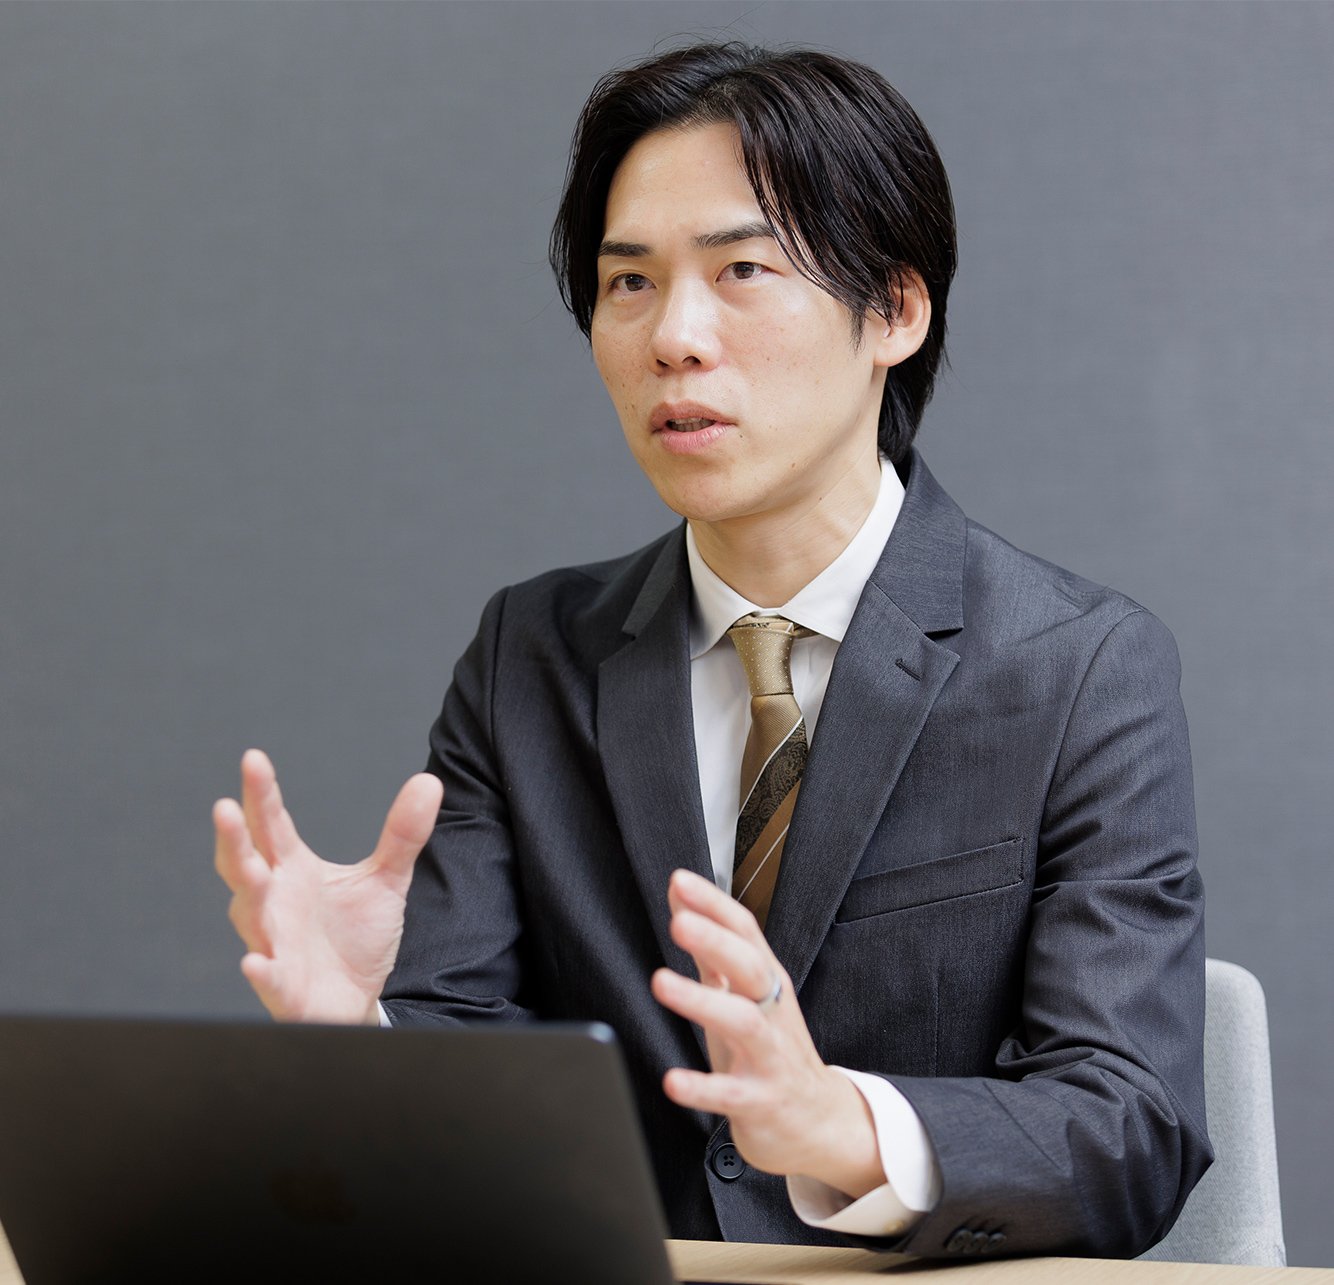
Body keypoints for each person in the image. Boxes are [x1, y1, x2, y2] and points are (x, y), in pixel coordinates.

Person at [214, 43, 1210, 1258]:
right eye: (627, 282)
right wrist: (360, 1034)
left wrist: (838, 1124)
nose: (674, 337)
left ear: (894, 310)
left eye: (742, 269)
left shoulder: (1077, 669)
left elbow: (1129, 1124)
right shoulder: (530, 655)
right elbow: (465, 1050)